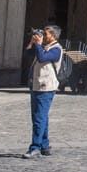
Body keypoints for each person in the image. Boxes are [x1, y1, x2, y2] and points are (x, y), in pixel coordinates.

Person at [23, 26, 64, 158]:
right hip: (36, 85)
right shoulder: (43, 47)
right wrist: (32, 43)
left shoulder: (56, 49)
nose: (43, 36)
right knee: (42, 117)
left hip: (46, 87)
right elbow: (28, 56)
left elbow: (41, 58)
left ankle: (35, 147)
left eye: (45, 34)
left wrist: (39, 45)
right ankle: (44, 145)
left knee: (39, 118)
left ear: (53, 35)